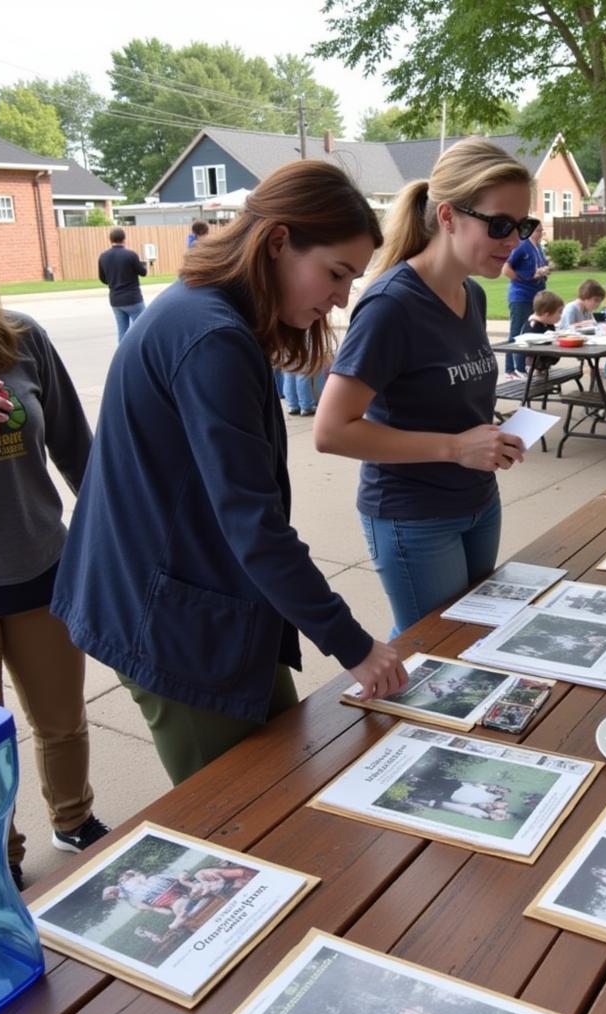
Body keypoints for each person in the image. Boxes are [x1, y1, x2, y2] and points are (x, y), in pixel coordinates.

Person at [52, 161, 407, 786]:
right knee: (239, 818)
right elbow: (254, 524)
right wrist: (354, 645)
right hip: (168, 625)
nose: (341, 296)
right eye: (335, 273)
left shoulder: (207, 312)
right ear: (277, 242)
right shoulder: (211, 336)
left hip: (203, 603)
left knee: (285, 779)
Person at [313, 138, 527, 637]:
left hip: (478, 500)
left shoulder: (470, 293)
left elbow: (446, 401)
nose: (514, 240)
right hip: (414, 516)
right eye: (500, 224)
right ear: (449, 216)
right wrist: (456, 447)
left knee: (474, 638)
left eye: (523, 225)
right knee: (430, 649)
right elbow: (331, 430)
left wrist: (489, 438)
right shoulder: (392, 305)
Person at [0, 189, 109, 892]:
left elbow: (81, 451)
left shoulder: (22, 338)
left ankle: (74, 820)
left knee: (61, 719)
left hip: (43, 569)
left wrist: (116, 534)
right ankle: (1, 855)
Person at [501, 221, 551, 378]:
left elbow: (537, 266)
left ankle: (525, 365)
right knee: (517, 332)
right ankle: (511, 369)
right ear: (529, 231)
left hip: (536, 295)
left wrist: (544, 271)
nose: (540, 233)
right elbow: (506, 268)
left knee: (530, 332)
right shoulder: (522, 246)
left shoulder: (538, 247)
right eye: (537, 230)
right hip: (521, 296)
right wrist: (524, 279)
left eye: (541, 231)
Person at [98, 227, 147, 343]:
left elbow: (103, 278)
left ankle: (122, 355)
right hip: (132, 298)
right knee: (142, 327)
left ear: (110, 240)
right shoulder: (130, 255)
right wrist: (143, 264)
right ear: (124, 239)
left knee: (122, 331)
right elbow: (143, 272)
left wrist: (113, 281)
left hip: (115, 299)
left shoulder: (103, 256)